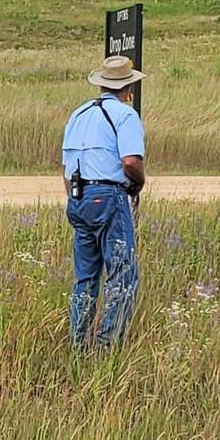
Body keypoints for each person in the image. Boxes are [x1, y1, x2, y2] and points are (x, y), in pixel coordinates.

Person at [62, 55, 145, 352]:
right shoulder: (125, 115)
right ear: (128, 86)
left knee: (85, 276)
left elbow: (66, 166)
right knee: (123, 273)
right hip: (109, 194)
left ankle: (78, 342)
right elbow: (130, 160)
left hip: (78, 196)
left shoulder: (79, 114)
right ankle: (108, 343)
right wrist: (138, 182)